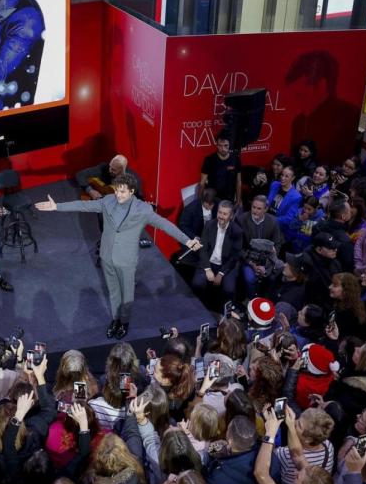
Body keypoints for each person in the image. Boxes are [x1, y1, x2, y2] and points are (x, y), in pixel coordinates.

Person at [36, 173, 202, 339]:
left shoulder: (143, 210)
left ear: (132, 191)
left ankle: (124, 322)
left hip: (126, 261)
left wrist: (187, 241)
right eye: (117, 190)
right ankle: (115, 320)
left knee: (127, 295)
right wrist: (57, 206)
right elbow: (84, 206)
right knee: (113, 292)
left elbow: (165, 225)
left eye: (122, 192)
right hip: (107, 256)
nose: (118, 194)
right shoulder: (108, 200)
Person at [192, 200, 243, 303]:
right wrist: (207, 268)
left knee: (229, 289)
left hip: (226, 265)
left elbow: (234, 257)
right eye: (219, 212)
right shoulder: (209, 225)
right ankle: (197, 305)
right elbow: (203, 249)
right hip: (209, 262)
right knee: (197, 283)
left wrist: (221, 273)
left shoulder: (237, 231)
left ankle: (226, 313)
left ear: (231, 216)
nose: (221, 216)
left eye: (225, 214)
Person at [200, 135, 242, 204]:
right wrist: (200, 201)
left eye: (226, 145)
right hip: (213, 199)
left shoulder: (236, 159)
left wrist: (238, 200)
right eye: (220, 146)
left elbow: (239, 181)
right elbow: (202, 182)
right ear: (217, 145)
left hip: (229, 198)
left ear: (229, 145)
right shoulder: (209, 159)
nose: (223, 149)